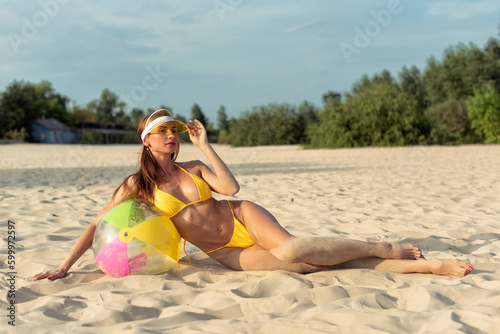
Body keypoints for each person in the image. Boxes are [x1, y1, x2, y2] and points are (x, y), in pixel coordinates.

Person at [30, 109, 473, 281]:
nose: (172, 137)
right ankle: (424, 265)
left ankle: (387, 248)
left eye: (175, 131)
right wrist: (64, 266)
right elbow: (97, 225)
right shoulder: (136, 186)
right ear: (146, 140)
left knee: (298, 248)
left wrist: (204, 144)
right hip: (223, 251)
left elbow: (233, 189)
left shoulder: (195, 165)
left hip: (242, 216)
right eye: (163, 132)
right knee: (301, 266)